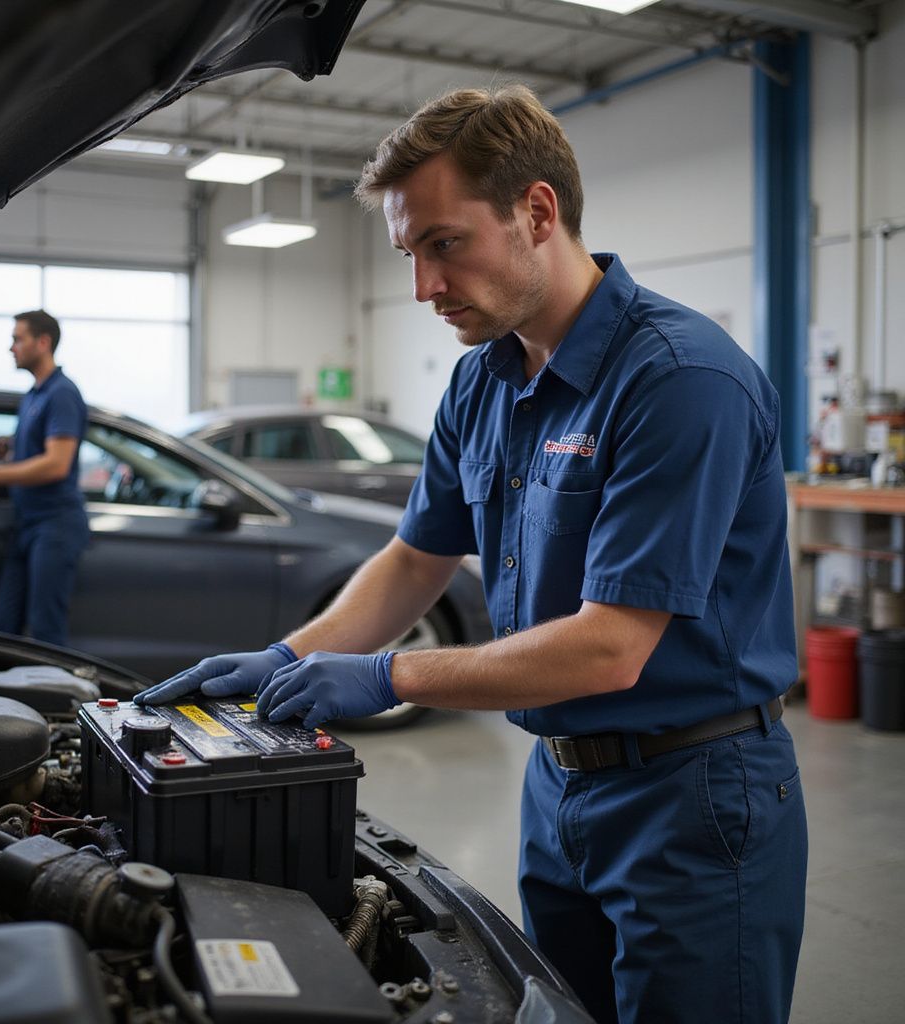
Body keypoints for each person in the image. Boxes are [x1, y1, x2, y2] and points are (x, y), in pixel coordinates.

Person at [134, 86, 807, 1024]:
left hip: (692, 797)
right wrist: (287, 659)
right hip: (557, 783)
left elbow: (611, 648)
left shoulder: (679, 381)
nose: (424, 288)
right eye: (411, 254)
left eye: (445, 244)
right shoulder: (481, 381)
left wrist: (388, 674)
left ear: (537, 212)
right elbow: (416, 561)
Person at [0, 310, 88, 646]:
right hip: (26, 523)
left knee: (45, 629)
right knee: (2, 623)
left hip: (54, 525)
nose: (11, 347)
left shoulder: (62, 393)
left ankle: (59, 698)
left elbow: (57, 464)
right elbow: (39, 452)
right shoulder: (34, 395)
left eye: (18, 339)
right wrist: (9, 453)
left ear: (42, 342)